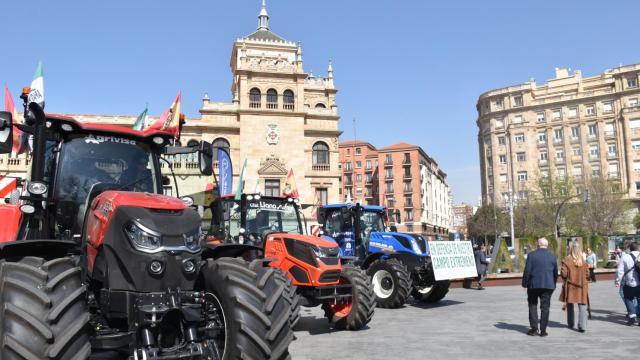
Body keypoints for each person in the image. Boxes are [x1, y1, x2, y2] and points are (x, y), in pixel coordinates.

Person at [522, 237, 558, 337]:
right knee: (545, 308)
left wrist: (525, 284)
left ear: (538, 245)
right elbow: (555, 272)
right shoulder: (552, 256)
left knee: (533, 305)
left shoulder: (531, 255)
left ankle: (534, 329)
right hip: (548, 285)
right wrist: (553, 284)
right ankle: (543, 330)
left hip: (534, 285)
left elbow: (527, 271)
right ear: (547, 245)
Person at [560, 241, 590, 332]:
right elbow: (588, 275)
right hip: (582, 286)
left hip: (571, 286)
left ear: (571, 249)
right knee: (582, 306)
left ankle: (570, 323)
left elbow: (564, 274)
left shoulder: (567, 259)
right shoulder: (584, 261)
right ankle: (582, 326)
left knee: (570, 305)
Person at [616, 242, 640, 325]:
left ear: (630, 249)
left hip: (629, 283)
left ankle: (632, 316)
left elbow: (620, 271)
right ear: (638, 248)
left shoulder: (625, 257)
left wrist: (617, 281)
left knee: (628, 298)